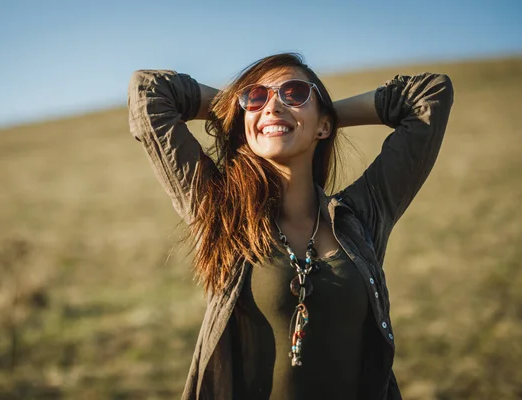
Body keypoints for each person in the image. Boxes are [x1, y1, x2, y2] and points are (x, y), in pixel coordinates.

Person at [127, 53, 454, 399]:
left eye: (294, 93)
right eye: (256, 96)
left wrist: (320, 115)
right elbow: (148, 92)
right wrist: (243, 114)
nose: (272, 105)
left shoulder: (362, 215)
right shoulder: (221, 211)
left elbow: (430, 95)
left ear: (325, 126)